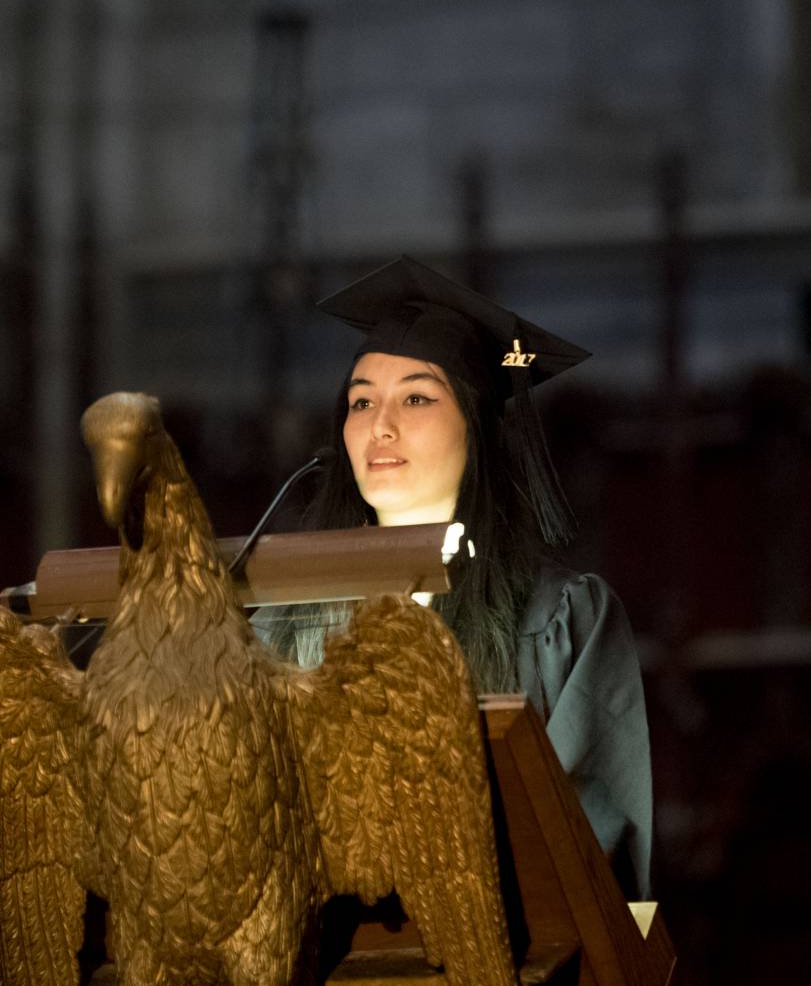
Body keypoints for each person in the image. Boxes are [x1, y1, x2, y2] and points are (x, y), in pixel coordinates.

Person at [254, 256, 654, 899]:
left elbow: (592, 840)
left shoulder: (558, 617)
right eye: (361, 401)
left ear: (476, 426)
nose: (380, 425)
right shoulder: (290, 610)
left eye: (416, 397)